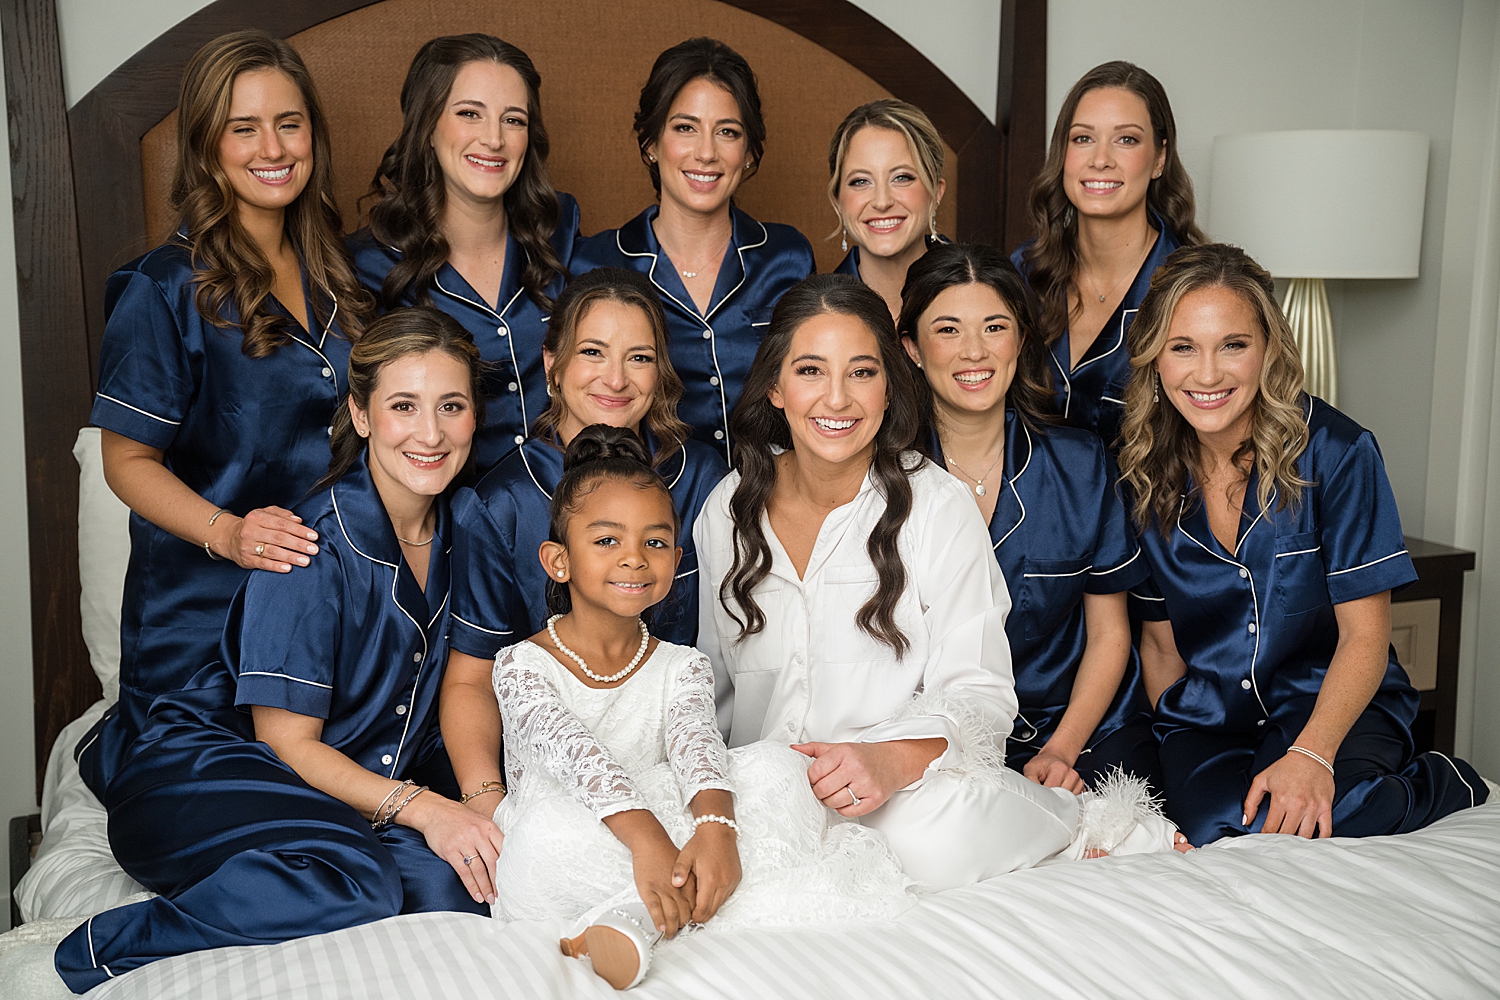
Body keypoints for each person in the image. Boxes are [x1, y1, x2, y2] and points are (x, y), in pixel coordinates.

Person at [54, 308, 499, 993]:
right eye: (403, 406)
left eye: (452, 406)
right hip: (203, 776)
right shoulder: (310, 546)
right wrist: (425, 807)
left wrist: (478, 804)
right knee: (362, 877)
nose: (430, 433)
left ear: (475, 416)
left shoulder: (470, 527)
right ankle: (107, 944)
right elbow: (286, 744)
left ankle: (323, 873)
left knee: (458, 887)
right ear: (360, 414)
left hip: (333, 797)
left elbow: (465, 687)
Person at [696, 275, 1185, 893]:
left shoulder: (935, 505)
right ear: (775, 387)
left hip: (905, 790)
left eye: (863, 372)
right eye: (811, 371)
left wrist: (889, 759)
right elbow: (713, 691)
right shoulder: (727, 509)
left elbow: (981, 694)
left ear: (888, 386)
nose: (838, 398)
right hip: (771, 788)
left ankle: (1084, 825)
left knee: (932, 838)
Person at [485, 425, 912, 990]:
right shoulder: (519, 664)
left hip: (666, 819)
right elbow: (580, 758)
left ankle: (635, 918)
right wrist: (652, 843)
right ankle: (667, 902)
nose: (634, 559)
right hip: (575, 830)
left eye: (655, 543)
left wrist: (716, 832)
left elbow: (698, 747)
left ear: (676, 558)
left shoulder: (682, 665)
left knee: (778, 769)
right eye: (607, 541)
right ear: (558, 561)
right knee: (548, 832)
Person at [76, 30, 374, 797]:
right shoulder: (163, 288)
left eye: (290, 122)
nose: (272, 146)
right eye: (244, 127)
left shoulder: (342, 275)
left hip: (328, 639)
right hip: (206, 641)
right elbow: (125, 461)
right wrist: (230, 534)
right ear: (208, 146)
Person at [1118, 243, 1489, 847]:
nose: (1207, 375)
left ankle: (1443, 780)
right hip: (1213, 717)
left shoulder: (1339, 453)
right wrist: (1179, 744)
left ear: (1269, 350)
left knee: (1319, 818)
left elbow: (1366, 637)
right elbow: (1161, 645)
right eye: (1183, 347)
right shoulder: (1138, 472)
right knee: (1217, 825)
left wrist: (1313, 756)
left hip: (1332, 702)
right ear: (1155, 357)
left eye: (1233, 345)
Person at [442, 268, 726, 818]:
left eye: (639, 357)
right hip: (558, 777)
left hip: (685, 758)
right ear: (552, 364)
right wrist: (488, 805)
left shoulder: (702, 478)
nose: (616, 380)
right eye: (593, 352)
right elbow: (469, 679)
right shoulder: (499, 502)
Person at [900, 243, 1161, 794]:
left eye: (994, 327)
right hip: (937, 740)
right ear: (913, 349)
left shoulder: (1080, 463)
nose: (975, 351)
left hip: (1081, 728)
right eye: (947, 330)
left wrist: (1060, 751)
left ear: (1020, 338)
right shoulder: (883, 477)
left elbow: (1110, 636)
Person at [572, 37, 815, 464]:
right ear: (650, 142)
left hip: (775, 499)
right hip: (652, 501)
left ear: (748, 152)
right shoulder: (595, 262)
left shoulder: (788, 256)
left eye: (727, 132)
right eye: (685, 127)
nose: (706, 152)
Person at [351, 33, 580, 473]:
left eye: (513, 120)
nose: (493, 139)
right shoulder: (368, 265)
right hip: (445, 514)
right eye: (469, 114)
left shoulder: (562, 231)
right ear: (428, 126)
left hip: (569, 502)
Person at [1012, 61, 1204, 449]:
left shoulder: (1196, 289)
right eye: (1082, 138)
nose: (1100, 159)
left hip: (1151, 508)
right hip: (1026, 506)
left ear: (1160, 158)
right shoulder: (1022, 274)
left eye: (1126, 140)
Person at [828, 99, 949, 319]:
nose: (882, 202)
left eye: (901, 178)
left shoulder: (989, 293)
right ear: (838, 201)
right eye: (860, 181)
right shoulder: (815, 315)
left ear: (936, 192)